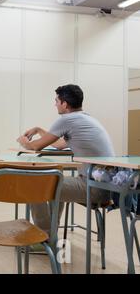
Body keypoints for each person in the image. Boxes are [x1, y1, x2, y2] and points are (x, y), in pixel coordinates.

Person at [16, 84, 115, 237]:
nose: (54, 104)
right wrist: (38, 129)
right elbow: (59, 145)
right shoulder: (85, 118)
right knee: (57, 180)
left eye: (56, 100)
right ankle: (50, 232)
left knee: (34, 185)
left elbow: (34, 147)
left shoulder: (66, 119)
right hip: (105, 187)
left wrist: (23, 140)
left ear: (64, 104)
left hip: (93, 188)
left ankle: (44, 237)